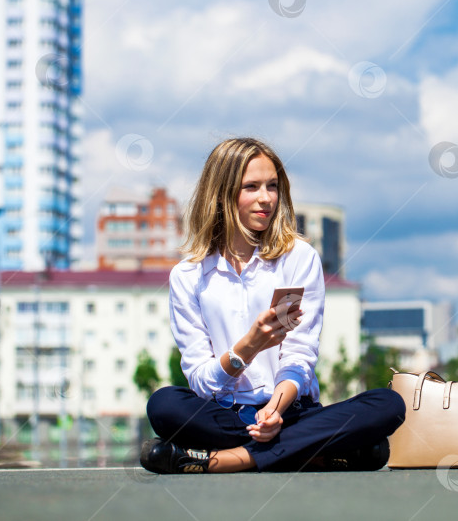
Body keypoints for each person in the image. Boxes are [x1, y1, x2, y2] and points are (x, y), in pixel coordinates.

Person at [140, 137, 405, 474]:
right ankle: (314, 454)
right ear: (221, 194)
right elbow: (200, 381)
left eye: (272, 186)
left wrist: (276, 411)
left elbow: (299, 355)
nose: (265, 198)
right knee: (164, 405)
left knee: (388, 405)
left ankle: (228, 460)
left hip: (291, 411)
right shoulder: (188, 276)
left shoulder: (297, 258)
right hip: (224, 417)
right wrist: (248, 347)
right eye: (251, 187)